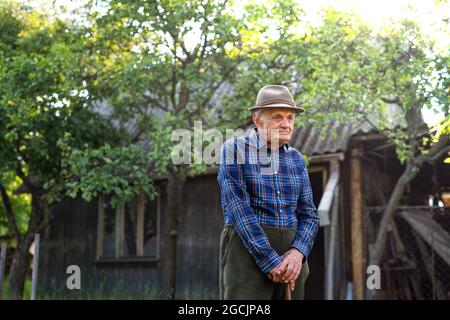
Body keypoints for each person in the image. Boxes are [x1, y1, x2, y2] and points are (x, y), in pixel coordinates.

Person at [217, 84, 320, 300]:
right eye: (277, 117)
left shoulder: (297, 159)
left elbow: (309, 215)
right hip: (246, 253)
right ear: (257, 119)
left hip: (292, 260)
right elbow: (239, 210)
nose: (286, 124)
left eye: (290, 118)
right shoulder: (234, 150)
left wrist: (297, 253)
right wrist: (270, 261)